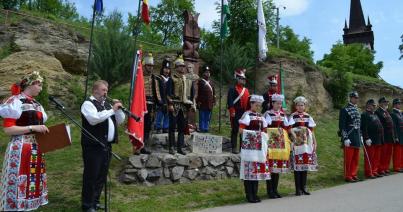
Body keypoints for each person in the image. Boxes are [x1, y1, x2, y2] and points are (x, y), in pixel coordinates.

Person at [0, 71, 50, 211]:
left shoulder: (37, 104)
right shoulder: (15, 101)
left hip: (36, 147)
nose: (41, 88)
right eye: (39, 85)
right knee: (19, 182)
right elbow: (8, 130)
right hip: (20, 147)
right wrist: (32, 127)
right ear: (31, 84)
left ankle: (28, 206)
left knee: (32, 182)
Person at [81, 80, 126, 212]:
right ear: (95, 90)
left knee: (101, 176)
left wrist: (118, 109)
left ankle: (95, 202)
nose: (105, 93)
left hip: (106, 146)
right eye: (103, 90)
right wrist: (112, 110)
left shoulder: (106, 104)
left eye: (106, 90)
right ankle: (87, 205)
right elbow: (94, 119)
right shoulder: (88, 104)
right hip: (93, 146)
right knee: (91, 176)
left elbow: (120, 120)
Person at [239, 95, 270, 203]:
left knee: (256, 172)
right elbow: (241, 130)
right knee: (249, 171)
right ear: (251, 104)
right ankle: (249, 195)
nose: (258, 107)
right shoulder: (247, 115)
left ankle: (255, 194)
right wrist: (255, 134)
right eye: (256, 105)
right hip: (249, 148)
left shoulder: (261, 117)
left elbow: (265, 131)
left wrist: (263, 135)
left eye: (259, 106)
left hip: (259, 148)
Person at [288, 96, 318, 196]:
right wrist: (293, 139)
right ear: (295, 106)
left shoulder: (308, 116)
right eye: (298, 105)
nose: (300, 107)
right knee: (297, 166)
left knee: (304, 165)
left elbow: (312, 131)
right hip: (297, 143)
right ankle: (298, 189)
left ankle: (303, 187)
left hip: (306, 143)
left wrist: (315, 142)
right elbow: (289, 129)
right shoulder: (293, 116)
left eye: (302, 105)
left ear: (305, 106)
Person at [263, 94, 291, 198]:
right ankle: (269, 191)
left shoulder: (283, 114)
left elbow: (286, 127)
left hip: (280, 144)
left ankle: (275, 189)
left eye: (280, 103)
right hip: (270, 143)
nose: (279, 105)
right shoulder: (268, 113)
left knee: (277, 167)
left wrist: (290, 137)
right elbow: (264, 127)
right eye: (277, 103)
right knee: (271, 167)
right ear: (272, 103)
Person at [166, 55, 193, 155]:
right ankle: (171, 147)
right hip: (174, 104)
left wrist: (190, 104)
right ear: (176, 67)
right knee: (172, 127)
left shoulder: (186, 79)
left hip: (184, 106)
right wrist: (170, 104)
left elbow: (190, 92)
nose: (182, 68)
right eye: (180, 66)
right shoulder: (171, 78)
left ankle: (180, 147)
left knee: (182, 127)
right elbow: (168, 93)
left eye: (183, 66)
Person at [339, 91, 362, 182]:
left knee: (355, 157)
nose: (356, 99)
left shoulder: (357, 109)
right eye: (354, 98)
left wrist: (361, 136)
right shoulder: (345, 109)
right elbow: (342, 125)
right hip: (349, 135)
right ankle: (348, 175)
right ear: (350, 98)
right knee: (349, 158)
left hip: (356, 135)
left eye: (357, 98)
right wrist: (345, 138)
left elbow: (359, 124)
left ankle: (353, 173)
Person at [227, 68, 250, 153]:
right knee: (235, 129)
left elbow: (248, 102)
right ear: (237, 79)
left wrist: (248, 112)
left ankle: (242, 147)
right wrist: (232, 110)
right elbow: (230, 101)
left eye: (244, 79)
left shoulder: (246, 90)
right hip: (236, 112)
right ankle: (234, 147)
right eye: (241, 78)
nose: (243, 80)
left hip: (244, 113)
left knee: (243, 130)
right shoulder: (232, 89)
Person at [361, 99, 384, 178]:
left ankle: (374, 170)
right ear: (368, 105)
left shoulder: (375, 115)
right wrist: (366, 138)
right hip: (370, 139)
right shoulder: (364, 114)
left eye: (374, 105)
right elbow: (364, 128)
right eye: (373, 105)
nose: (374, 107)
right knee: (369, 157)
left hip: (377, 139)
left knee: (376, 157)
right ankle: (369, 172)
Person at [141, 53, 159, 154]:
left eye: (152, 66)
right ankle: (138, 146)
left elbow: (157, 92)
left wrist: (160, 103)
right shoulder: (139, 77)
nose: (150, 67)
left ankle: (145, 145)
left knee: (148, 126)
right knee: (141, 125)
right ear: (144, 66)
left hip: (151, 104)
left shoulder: (154, 78)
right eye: (149, 65)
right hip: (142, 104)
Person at [375, 97, 395, 176]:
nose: (386, 103)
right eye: (384, 102)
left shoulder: (387, 112)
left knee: (388, 153)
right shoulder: (378, 112)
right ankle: (381, 169)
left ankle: (386, 168)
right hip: (384, 136)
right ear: (380, 103)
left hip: (390, 136)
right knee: (383, 154)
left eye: (386, 102)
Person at [154, 58, 172, 134]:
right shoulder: (158, 78)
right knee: (160, 113)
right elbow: (156, 89)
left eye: (168, 69)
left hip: (168, 100)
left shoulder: (171, 79)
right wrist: (159, 100)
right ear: (162, 69)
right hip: (160, 100)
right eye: (165, 68)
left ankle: (166, 127)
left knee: (167, 114)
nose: (167, 71)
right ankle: (158, 127)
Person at [195, 65, 216, 133]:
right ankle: (202, 128)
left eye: (208, 72)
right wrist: (198, 101)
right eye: (206, 72)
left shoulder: (211, 82)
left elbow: (214, 93)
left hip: (209, 102)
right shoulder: (201, 82)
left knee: (208, 117)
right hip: (202, 102)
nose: (208, 73)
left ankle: (206, 128)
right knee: (202, 116)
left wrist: (214, 101)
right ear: (203, 73)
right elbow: (198, 93)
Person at [390, 98, 403, 172]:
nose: (399, 105)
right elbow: (393, 126)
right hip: (398, 135)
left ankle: (401, 165)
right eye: (398, 103)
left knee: (401, 152)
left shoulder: (400, 113)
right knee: (397, 152)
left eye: (400, 103)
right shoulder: (393, 113)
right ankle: (397, 167)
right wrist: (395, 136)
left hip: (402, 134)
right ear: (394, 104)